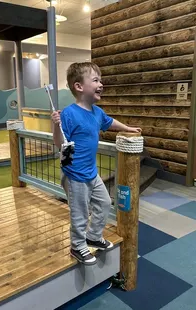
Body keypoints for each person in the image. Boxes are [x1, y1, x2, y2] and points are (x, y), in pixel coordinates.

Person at [52, 62, 141, 265]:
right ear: (79, 86)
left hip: (91, 173)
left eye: (100, 80)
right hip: (74, 175)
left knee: (104, 203)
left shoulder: (97, 112)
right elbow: (58, 143)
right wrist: (55, 126)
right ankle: (77, 246)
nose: (101, 84)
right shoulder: (68, 114)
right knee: (80, 212)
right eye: (95, 80)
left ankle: (93, 236)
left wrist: (128, 127)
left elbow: (110, 122)